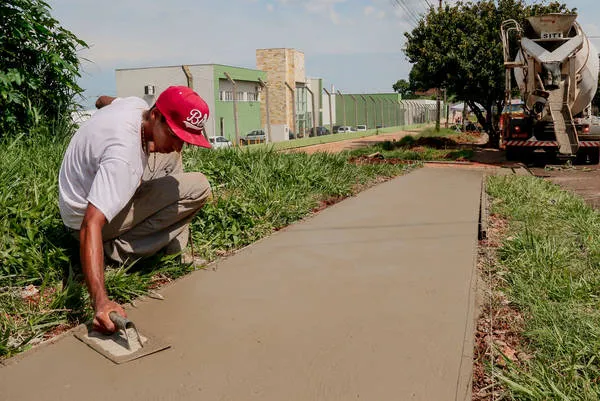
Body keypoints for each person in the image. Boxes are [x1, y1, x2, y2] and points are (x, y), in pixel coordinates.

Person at [58, 86, 212, 334]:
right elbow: (91, 224)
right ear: (156, 115)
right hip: (82, 223)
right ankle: (113, 252)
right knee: (198, 187)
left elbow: (102, 99)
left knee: (170, 158)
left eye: (183, 140)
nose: (178, 146)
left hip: (80, 196)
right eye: (174, 136)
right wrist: (101, 302)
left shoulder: (133, 106)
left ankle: (174, 249)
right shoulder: (123, 158)